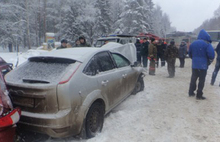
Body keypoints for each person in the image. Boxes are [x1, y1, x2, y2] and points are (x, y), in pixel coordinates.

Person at [188, 29, 215, 100]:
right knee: (201, 80)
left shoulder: (193, 43)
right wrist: (208, 62)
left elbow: (189, 54)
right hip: (203, 66)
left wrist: (194, 59)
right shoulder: (207, 44)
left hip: (195, 65)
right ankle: (199, 95)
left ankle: (191, 92)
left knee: (193, 78)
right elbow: (211, 55)